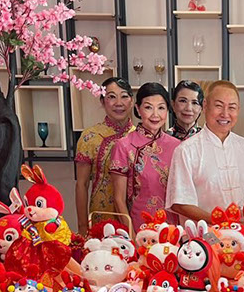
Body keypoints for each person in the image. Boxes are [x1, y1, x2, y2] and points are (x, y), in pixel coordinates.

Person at [166, 80, 244, 223]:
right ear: (205, 106)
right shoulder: (186, 150)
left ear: (238, 110)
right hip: (205, 234)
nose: (225, 114)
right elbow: (179, 202)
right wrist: (219, 222)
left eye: (232, 107)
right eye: (218, 106)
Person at [110, 82, 180, 228]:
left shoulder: (177, 146)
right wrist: (132, 234)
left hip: (172, 227)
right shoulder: (123, 146)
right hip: (139, 226)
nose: (155, 115)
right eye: (148, 107)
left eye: (161, 108)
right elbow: (119, 199)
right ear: (138, 108)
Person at [74, 77, 136, 234]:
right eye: (111, 97)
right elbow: (82, 184)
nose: (119, 103)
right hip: (101, 217)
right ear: (102, 101)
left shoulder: (140, 136)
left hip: (135, 219)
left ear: (132, 101)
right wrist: (82, 226)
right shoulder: (90, 136)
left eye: (124, 96)